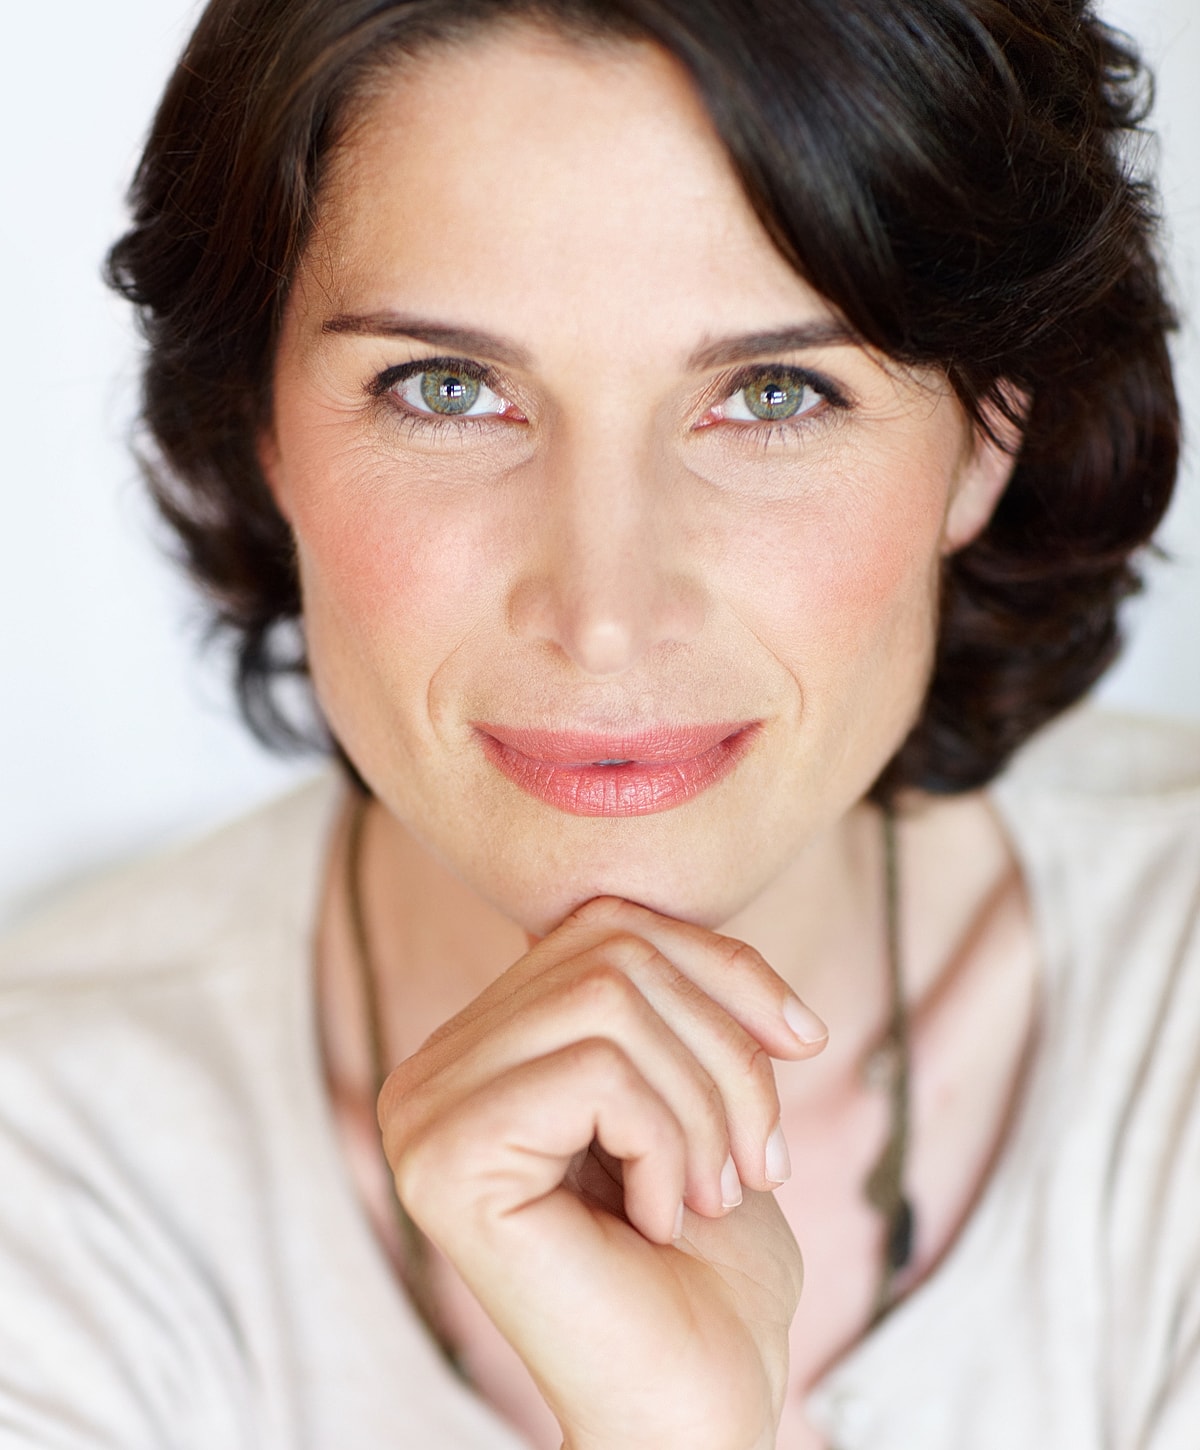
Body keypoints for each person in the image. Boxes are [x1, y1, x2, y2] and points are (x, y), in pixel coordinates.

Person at [1, 0, 1196, 1446]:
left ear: (990, 431)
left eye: (772, 392)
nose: (606, 613)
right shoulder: (42, 1153)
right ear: (260, 428)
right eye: (448, 389)